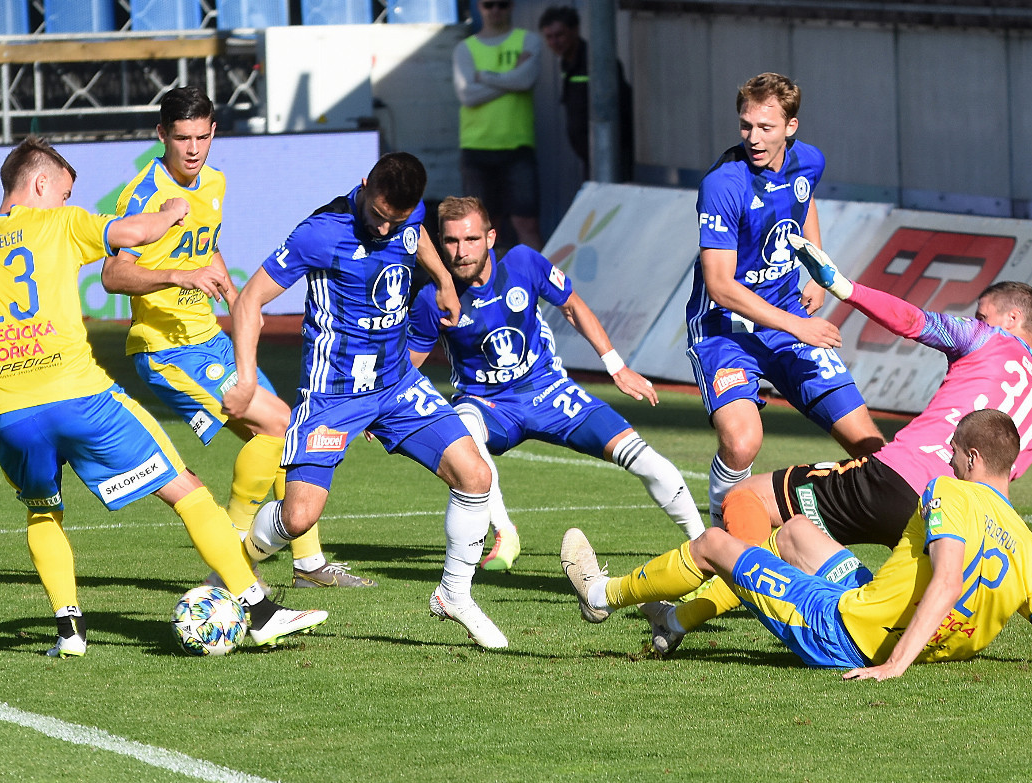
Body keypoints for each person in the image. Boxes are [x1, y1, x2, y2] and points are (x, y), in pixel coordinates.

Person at [0, 136, 326, 657]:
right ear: (40, 183)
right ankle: (260, 612)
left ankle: (69, 631)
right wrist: (172, 211)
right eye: (64, 191)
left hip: (8, 415)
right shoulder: (61, 224)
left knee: (43, 513)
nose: (66, 201)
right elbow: (134, 232)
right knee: (186, 490)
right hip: (80, 398)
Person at [635, 239, 1032, 657]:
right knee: (820, 553)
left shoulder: (987, 339)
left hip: (893, 482)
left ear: (1011, 319)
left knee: (748, 498)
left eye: (983, 314)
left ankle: (712, 596)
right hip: (960, 525)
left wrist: (845, 288)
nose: (977, 320)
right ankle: (681, 618)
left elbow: (915, 321)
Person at [560, 409, 1032, 678]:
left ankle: (602, 594)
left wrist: (894, 666)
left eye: (953, 453)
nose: (947, 461)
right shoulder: (1031, 549)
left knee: (713, 543)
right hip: (884, 615)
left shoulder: (950, 491)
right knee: (795, 532)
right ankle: (675, 622)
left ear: (972, 458)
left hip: (845, 632)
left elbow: (946, 578)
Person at [225, 153, 508, 649]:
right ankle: (231, 568)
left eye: (394, 220)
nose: (383, 228)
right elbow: (250, 299)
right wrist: (247, 378)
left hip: (397, 384)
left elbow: (418, 236)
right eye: (377, 214)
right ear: (365, 183)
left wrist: (443, 281)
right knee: (299, 517)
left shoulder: (409, 216)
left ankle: (454, 594)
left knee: (476, 476)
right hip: (333, 394)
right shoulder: (321, 232)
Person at [100, 87, 372, 590]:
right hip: (166, 350)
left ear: (213, 132)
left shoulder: (215, 181)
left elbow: (206, 244)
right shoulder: (143, 195)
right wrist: (178, 276)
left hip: (209, 339)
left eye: (202, 137)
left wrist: (232, 296)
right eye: (181, 138)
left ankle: (308, 565)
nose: (193, 149)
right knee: (278, 425)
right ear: (161, 135)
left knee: (284, 438)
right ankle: (230, 565)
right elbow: (113, 276)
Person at [406, 196, 702, 571]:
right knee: (461, 426)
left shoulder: (522, 263)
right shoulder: (431, 300)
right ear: (440, 243)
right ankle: (504, 532)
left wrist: (617, 366)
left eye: (471, 239)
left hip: (550, 393)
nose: (461, 251)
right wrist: (386, 403)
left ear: (490, 238)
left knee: (644, 459)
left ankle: (705, 544)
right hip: (488, 405)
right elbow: (411, 361)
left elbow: (572, 306)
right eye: (451, 241)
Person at [690, 72, 885, 529]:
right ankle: (720, 531)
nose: (753, 138)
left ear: (790, 127)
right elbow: (719, 286)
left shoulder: (809, 160)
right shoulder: (723, 184)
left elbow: (804, 200)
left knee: (873, 449)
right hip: (726, 331)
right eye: (746, 126)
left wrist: (815, 266)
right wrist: (796, 325)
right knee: (743, 442)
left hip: (788, 319)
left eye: (766, 127)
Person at [454, 0, 544, 251]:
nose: (495, 10)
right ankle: (488, 277)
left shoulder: (528, 41)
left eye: (502, 5)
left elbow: (525, 81)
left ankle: (537, 276)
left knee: (527, 223)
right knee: (483, 227)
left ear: (512, 6)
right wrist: (510, 78)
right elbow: (467, 95)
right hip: (477, 146)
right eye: (489, 4)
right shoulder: (465, 48)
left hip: (518, 145)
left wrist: (484, 76)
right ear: (479, 7)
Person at [536, 5, 633, 180]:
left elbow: (622, 109)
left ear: (575, 30)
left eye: (560, 35)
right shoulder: (567, 63)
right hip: (591, 158)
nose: (555, 42)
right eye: (549, 37)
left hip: (611, 158)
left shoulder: (597, 63)